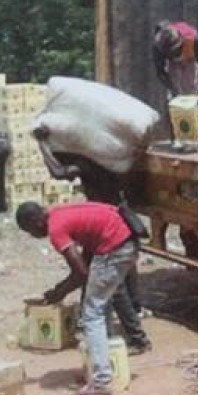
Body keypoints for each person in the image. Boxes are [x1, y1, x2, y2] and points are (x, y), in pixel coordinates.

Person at [16, 200, 151, 395]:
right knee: (101, 302)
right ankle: (101, 365)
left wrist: (58, 292)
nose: (33, 236)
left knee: (91, 312)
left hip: (116, 246)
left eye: (30, 231)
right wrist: (59, 289)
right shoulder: (59, 212)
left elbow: (80, 273)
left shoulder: (56, 229)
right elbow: (88, 254)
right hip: (124, 238)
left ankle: (101, 381)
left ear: (35, 222)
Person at [33, 125, 150, 320]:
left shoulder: (89, 162)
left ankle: (97, 315)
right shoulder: (110, 158)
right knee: (122, 269)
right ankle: (133, 308)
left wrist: (42, 143)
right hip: (115, 214)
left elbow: (59, 172)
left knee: (94, 270)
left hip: (104, 222)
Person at [152, 20, 198, 143]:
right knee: (173, 100)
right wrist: (173, 88)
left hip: (190, 60)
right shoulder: (157, 47)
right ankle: (175, 136)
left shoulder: (193, 38)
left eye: (175, 50)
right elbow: (160, 72)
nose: (173, 53)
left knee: (197, 94)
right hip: (173, 66)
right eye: (169, 52)